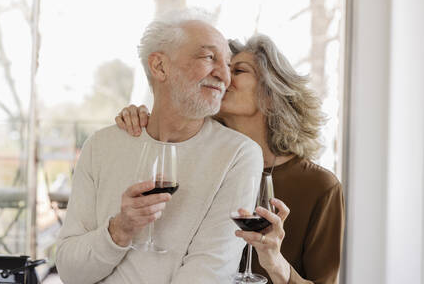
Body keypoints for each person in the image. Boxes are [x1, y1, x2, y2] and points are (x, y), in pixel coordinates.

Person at [116, 34, 345, 283]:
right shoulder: (204, 163)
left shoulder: (319, 186)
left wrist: (276, 263)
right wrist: (143, 120)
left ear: (271, 91)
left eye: (238, 70)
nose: (223, 77)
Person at [55, 9, 264, 284]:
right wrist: (120, 229)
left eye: (227, 63)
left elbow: (210, 270)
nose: (225, 76)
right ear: (160, 67)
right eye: (208, 57)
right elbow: (70, 272)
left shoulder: (239, 155)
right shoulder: (101, 146)